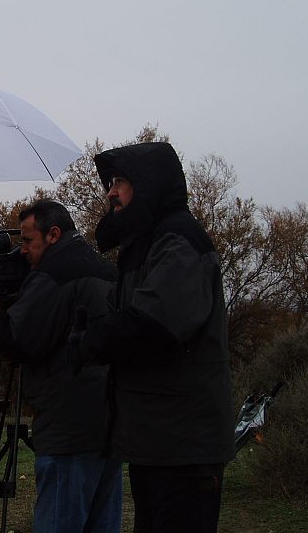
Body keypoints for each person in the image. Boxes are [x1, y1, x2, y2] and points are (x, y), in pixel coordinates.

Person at [69, 142, 236, 533]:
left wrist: (91, 341)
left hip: (184, 444)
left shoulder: (178, 240)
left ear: (148, 183)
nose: (111, 192)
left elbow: (153, 325)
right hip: (159, 439)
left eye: (120, 182)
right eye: (110, 183)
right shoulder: (148, 242)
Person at [0, 199, 123, 533]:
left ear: (53, 234)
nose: (23, 250)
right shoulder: (105, 269)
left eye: (28, 240)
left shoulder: (54, 275)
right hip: (109, 422)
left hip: (67, 426)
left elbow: (20, 340)